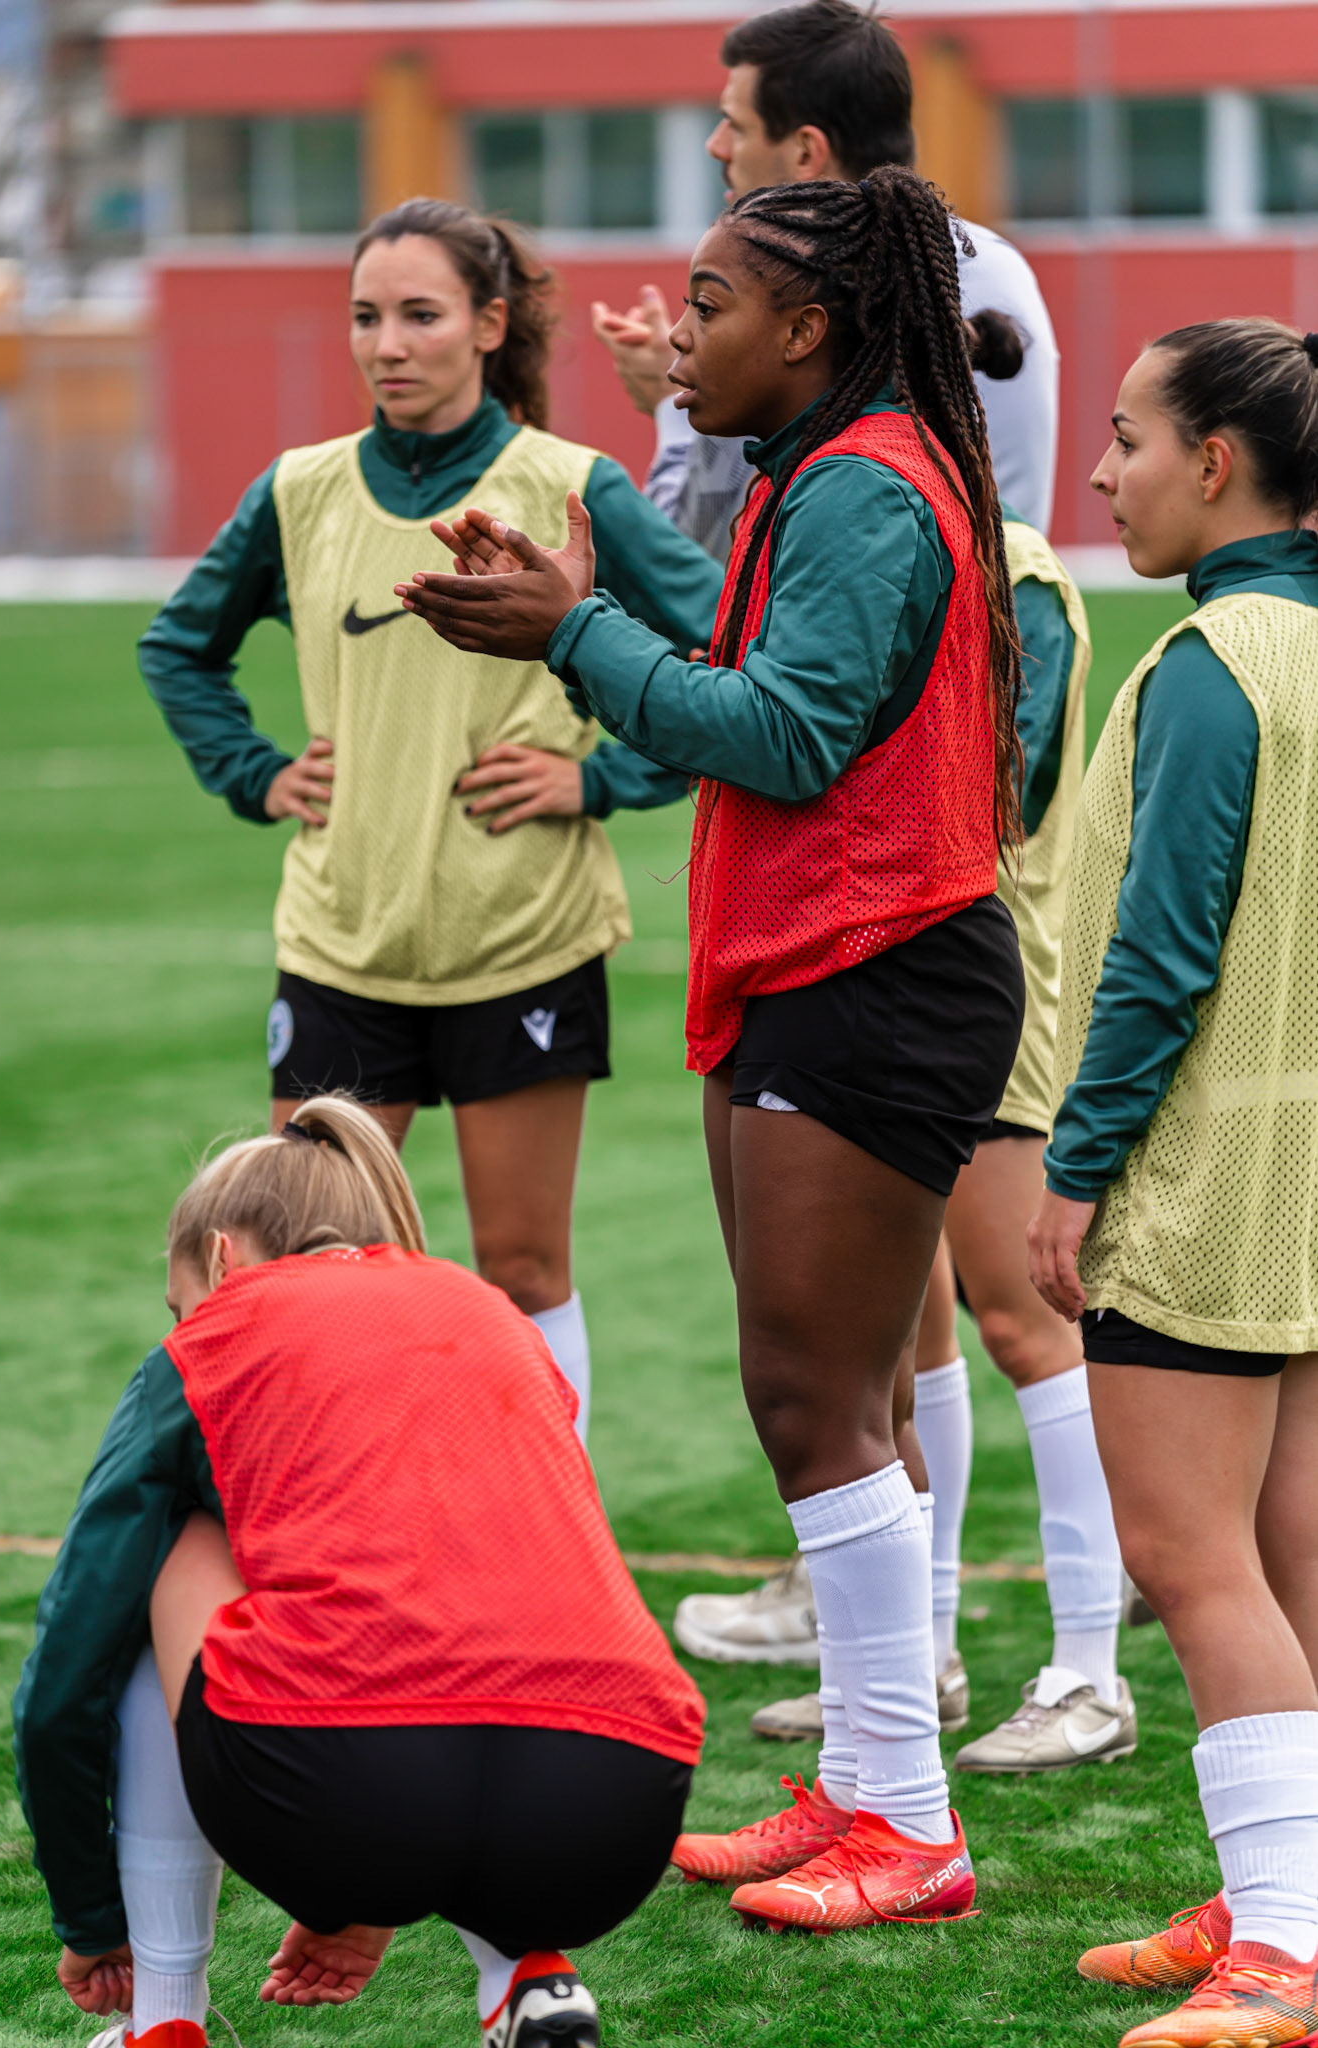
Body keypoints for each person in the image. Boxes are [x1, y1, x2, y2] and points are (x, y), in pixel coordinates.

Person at [401, 167, 1026, 1935]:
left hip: (876, 969)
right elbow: (743, 704)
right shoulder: (821, 473)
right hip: (817, 962)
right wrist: (579, 610)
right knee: (832, 1397)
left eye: (716, 303)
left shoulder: (868, 489)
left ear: (813, 328)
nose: (680, 339)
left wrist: (574, 636)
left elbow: (785, 735)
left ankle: (910, 1817)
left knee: (816, 1399)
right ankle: (874, 1780)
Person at [138, 197, 722, 1441]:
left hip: (522, 933)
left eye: (419, 315)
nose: (387, 343)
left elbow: (725, 658)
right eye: (366, 317)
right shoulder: (299, 490)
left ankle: (546, 1548)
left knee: (519, 1267)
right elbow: (178, 646)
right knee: (299, 1263)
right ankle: (322, 1535)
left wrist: (601, 780)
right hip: (344, 936)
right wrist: (257, 770)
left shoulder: (570, 488)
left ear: (488, 325)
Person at [13, 1094, 704, 2048]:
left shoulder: (216, 1336)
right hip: (621, 1807)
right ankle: (525, 1979)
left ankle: (163, 2020)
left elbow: (67, 1670)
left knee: (170, 1547)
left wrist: (94, 1922)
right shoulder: (494, 1316)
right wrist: (383, 1876)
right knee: (489, 1580)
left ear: (223, 1259)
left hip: (342, 1782)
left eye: (182, 1305)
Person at [1023, 319, 1318, 2048]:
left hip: (1209, 1171)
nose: (1100, 469)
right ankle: (1286, 1885)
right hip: (1308, 1155)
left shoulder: (1213, 664)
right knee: (1289, 1538)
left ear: (1217, 461)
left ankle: (1283, 1942)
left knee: (1190, 1551)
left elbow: (1158, 958)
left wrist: (1074, 1167)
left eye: (1126, 436)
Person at [738, 511, 1131, 1776]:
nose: (1102, 470)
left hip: (978, 987)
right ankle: (927, 1648)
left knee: (1028, 1321)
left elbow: (993, 793)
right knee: (901, 1344)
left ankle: (1092, 1670)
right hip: (879, 989)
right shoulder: (864, 519)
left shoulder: (1007, 561)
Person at [592, 0, 1058, 560]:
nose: (715, 146)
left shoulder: (793, 298)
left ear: (807, 150)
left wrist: (674, 403)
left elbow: (693, 556)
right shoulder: (991, 264)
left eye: (736, 125)